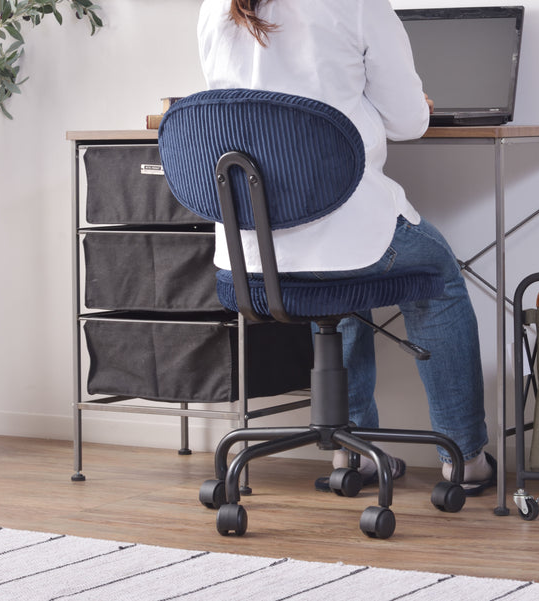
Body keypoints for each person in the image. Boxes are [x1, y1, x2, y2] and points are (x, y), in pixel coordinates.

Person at [197, 0, 496, 494]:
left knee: (334, 276)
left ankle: (352, 451)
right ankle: (464, 457)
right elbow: (408, 123)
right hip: (342, 237)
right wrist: (418, 104)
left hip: (253, 255)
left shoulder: (216, 7)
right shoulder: (356, 5)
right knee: (437, 277)